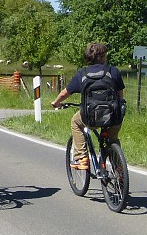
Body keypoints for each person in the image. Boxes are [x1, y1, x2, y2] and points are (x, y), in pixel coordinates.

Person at [50, 42, 126, 171]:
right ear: (103, 56)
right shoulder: (114, 71)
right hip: (113, 115)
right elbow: (120, 97)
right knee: (112, 139)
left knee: (75, 122)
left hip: (91, 117)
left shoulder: (82, 74)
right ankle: (119, 168)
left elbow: (65, 93)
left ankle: (81, 158)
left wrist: (56, 103)